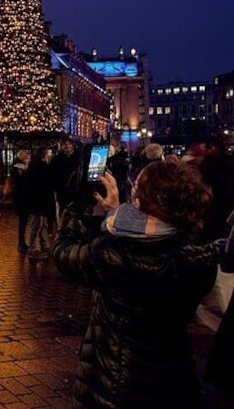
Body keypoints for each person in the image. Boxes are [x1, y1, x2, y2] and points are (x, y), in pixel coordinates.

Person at [53, 160, 217, 408]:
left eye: (136, 188)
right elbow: (151, 239)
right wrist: (116, 213)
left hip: (115, 383)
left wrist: (78, 203)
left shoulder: (116, 254)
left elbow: (65, 254)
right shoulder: (197, 253)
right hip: (174, 379)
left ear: (142, 201)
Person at [10, 150, 31, 253]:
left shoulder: (18, 167)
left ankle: (22, 242)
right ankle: (21, 243)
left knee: (23, 222)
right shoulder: (18, 168)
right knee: (23, 222)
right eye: (25, 156)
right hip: (22, 198)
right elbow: (21, 183)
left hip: (21, 198)